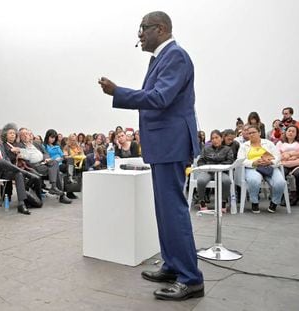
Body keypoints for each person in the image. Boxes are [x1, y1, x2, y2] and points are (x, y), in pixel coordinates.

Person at [98, 11, 204, 301]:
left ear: (161, 28)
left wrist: (118, 92)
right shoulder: (161, 58)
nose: (140, 34)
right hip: (164, 145)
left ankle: (191, 279)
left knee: (173, 212)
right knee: (164, 211)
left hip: (171, 144)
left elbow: (160, 98)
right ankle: (173, 265)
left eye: (143, 28)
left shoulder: (176, 56)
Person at [237, 124, 286, 213]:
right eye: (249, 133)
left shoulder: (268, 143)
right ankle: (254, 202)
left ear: (259, 132)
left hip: (269, 166)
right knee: (254, 180)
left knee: (280, 182)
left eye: (253, 132)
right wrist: (253, 163)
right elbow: (240, 160)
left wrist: (271, 162)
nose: (251, 135)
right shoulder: (244, 146)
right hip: (253, 167)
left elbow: (278, 156)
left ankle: (274, 202)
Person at [197, 130, 234, 213]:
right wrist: (206, 167)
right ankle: (202, 202)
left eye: (216, 137)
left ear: (221, 138)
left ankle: (223, 202)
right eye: (212, 138)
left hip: (221, 172)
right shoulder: (206, 149)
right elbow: (200, 161)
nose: (214, 140)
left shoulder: (227, 149)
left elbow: (230, 161)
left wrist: (218, 165)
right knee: (201, 181)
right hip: (208, 171)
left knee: (227, 181)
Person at [276, 125, 299, 205]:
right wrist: (292, 156)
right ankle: (282, 196)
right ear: (285, 132)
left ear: (296, 134)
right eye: (289, 131)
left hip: (297, 164)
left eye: (293, 131)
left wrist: (290, 154)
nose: (291, 133)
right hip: (284, 164)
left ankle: (295, 196)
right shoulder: (280, 143)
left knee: (298, 174)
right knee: (280, 175)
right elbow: (277, 155)